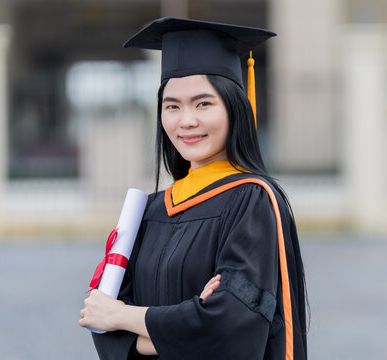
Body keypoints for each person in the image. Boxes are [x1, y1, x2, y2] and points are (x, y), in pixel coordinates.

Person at [78, 17, 308, 360]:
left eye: (203, 103)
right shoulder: (149, 211)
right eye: (172, 106)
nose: (186, 120)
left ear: (234, 107)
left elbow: (232, 330)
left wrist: (126, 317)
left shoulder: (251, 200)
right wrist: (188, 322)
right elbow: (101, 324)